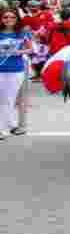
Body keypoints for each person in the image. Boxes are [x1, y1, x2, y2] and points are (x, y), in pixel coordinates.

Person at [0, 9, 32, 139]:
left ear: (16, 19)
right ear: (2, 19)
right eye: (6, 17)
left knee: (9, 99)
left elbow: (30, 49)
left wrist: (16, 52)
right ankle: (11, 124)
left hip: (15, 70)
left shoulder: (22, 34)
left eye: (12, 17)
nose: (9, 19)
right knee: (4, 99)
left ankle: (2, 129)